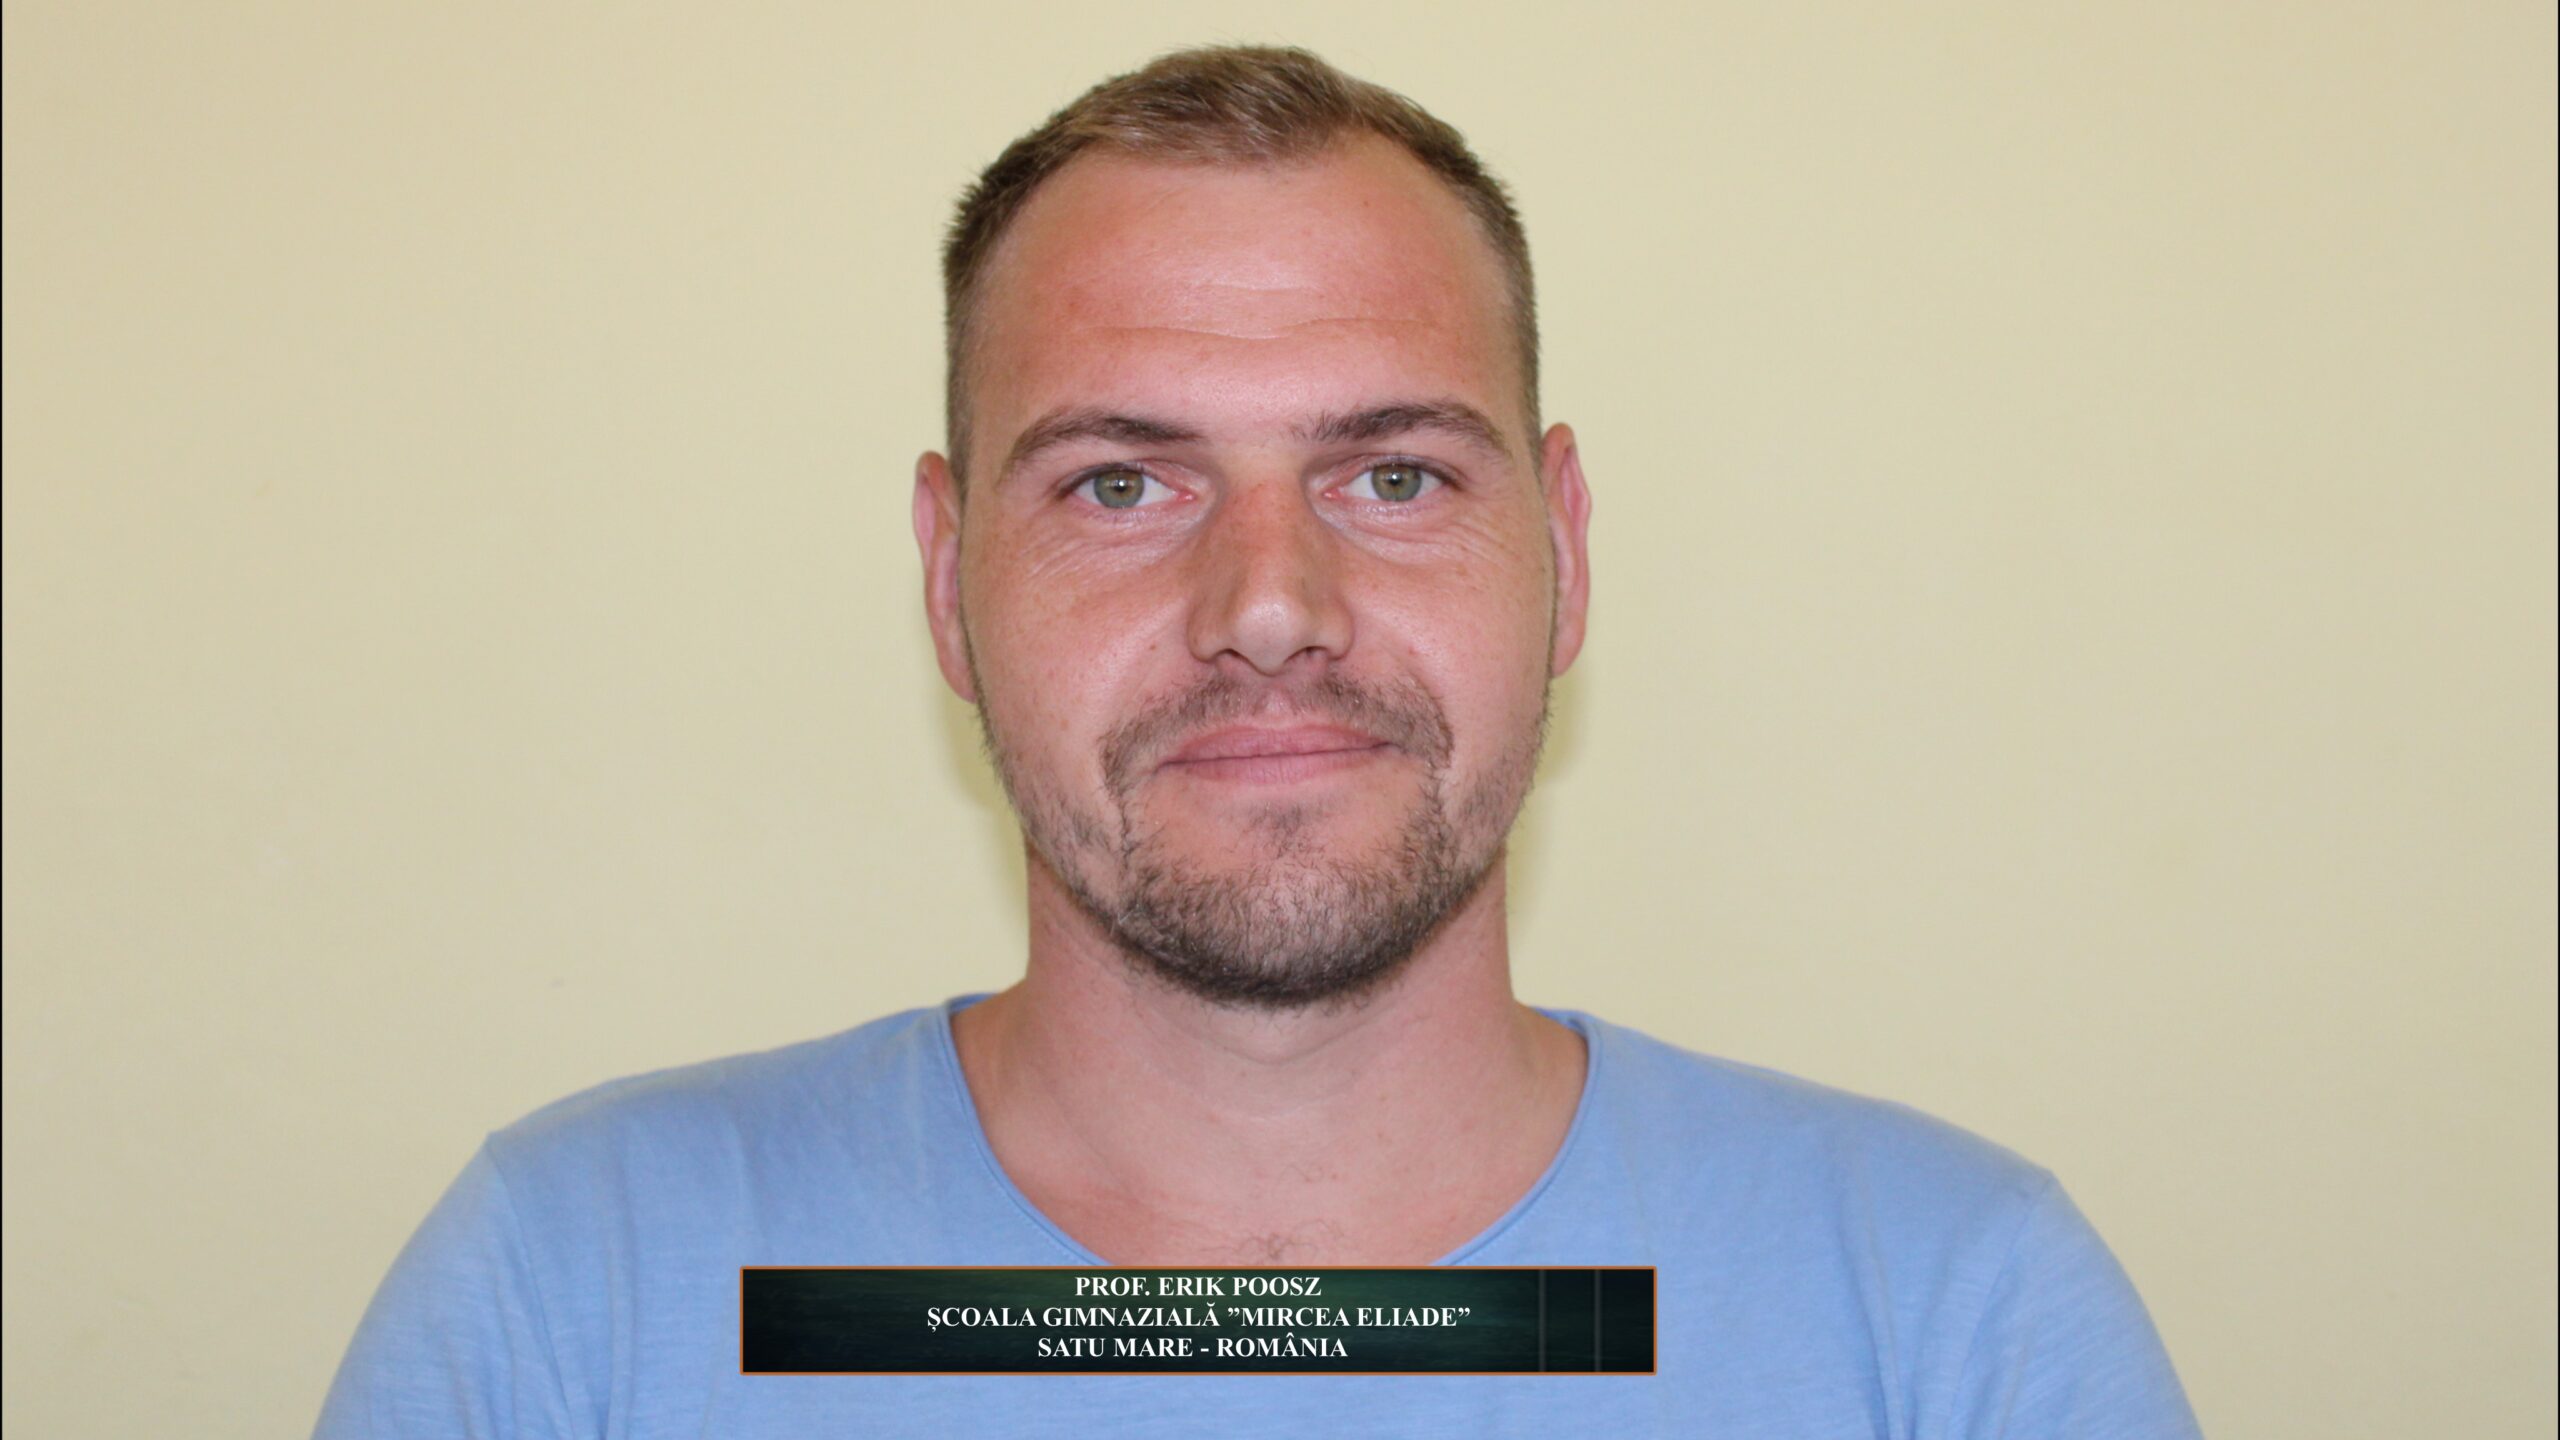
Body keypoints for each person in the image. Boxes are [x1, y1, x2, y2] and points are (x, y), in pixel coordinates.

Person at [313, 44, 2204, 1437]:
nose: (1272, 604)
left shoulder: (1954, 1323)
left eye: (1393, 473)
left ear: (1561, 549)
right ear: (950, 581)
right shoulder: (574, 1293)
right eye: (1121, 483)